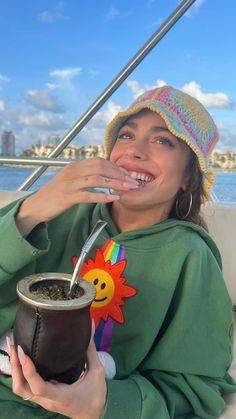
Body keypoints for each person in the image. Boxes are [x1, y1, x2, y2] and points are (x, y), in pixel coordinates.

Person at [0, 85, 235, 419]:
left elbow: (195, 390)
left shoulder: (190, 257)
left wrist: (101, 404)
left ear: (188, 177)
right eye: (125, 135)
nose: (134, 151)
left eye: (162, 140)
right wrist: (32, 209)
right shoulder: (57, 215)